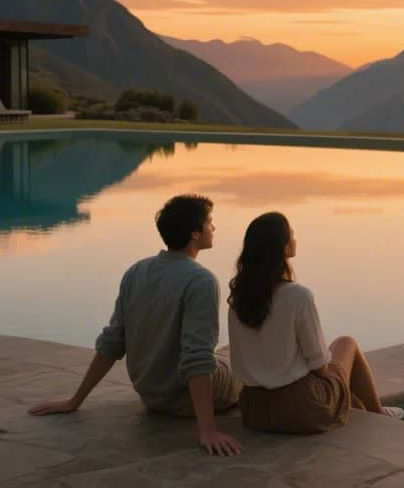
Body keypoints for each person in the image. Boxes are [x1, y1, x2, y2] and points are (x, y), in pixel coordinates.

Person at [28, 194, 243, 456]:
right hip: (180, 399)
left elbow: (113, 340)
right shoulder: (201, 281)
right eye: (210, 223)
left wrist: (76, 400)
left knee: (226, 354)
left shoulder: (137, 271)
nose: (214, 228)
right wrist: (207, 430)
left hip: (152, 395)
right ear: (195, 234)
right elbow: (196, 357)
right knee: (245, 360)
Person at [226, 211, 403, 435]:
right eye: (291, 235)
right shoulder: (298, 296)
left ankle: (362, 408)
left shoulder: (238, 300)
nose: (294, 239)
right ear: (282, 248)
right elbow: (319, 364)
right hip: (300, 410)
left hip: (255, 411)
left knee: (346, 394)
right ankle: (378, 413)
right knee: (346, 344)